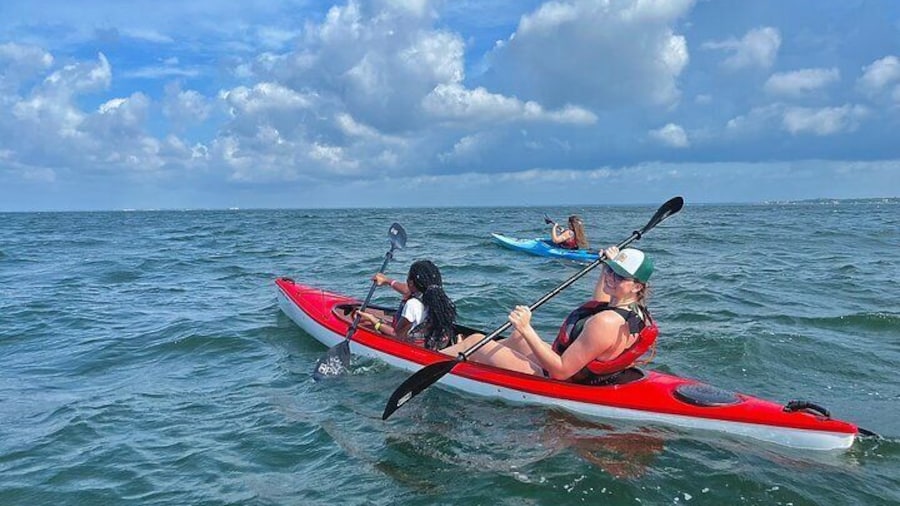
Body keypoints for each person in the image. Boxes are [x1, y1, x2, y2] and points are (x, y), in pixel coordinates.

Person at [441, 247, 657, 383]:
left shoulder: (605, 322)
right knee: (515, 339)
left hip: (560, 378)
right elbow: (602, 302)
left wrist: (526, 329)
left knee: (477, 342)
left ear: (637, 286)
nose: (611, 278)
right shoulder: (633, 312)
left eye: (619, 276)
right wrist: (604, 266)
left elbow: (561, 372)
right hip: (578, 370)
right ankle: (459, 357)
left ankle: (422, 360)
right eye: (611, 271)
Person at [355, 260, 459, 350]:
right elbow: (406, 290)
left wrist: (374, 320)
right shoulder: (438, 298)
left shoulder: (412, 304)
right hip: (434, 344)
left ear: (411, 283)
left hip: (417, 348)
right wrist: (387, 280)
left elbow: (396, 335)